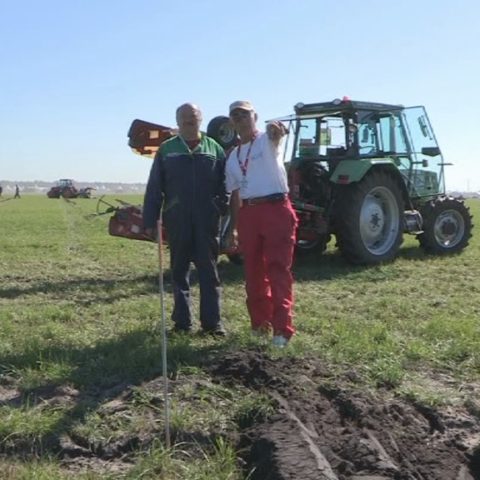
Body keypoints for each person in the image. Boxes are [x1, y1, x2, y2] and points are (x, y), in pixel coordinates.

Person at [143, 103, 227, 336]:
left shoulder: (215, 149)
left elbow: (226, 185)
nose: (190, 120)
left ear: (201, 120)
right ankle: (182, 323)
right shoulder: (167, 150)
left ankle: (212, 324)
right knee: (179, 272)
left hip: (206, 220)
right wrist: (150, 220)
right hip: (177, 218)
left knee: (209, 272)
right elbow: (154, 187)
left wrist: (219, 206)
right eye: (185, 117)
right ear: (177, 121)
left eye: (194, 116)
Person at [225, 101, 297, 347]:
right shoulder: (233, 157)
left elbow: (278, 133)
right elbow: (235, 194)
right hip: (249, 214)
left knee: (278, 270)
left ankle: (282, 330)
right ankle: (259, 325)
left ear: (254, 116)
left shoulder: (267, 140)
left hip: (276, 209)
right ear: (231, 122)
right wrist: (234, 227)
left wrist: (278, 130)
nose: (240, 119)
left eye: (245, 115)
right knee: (253, 274)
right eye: (235, 116)